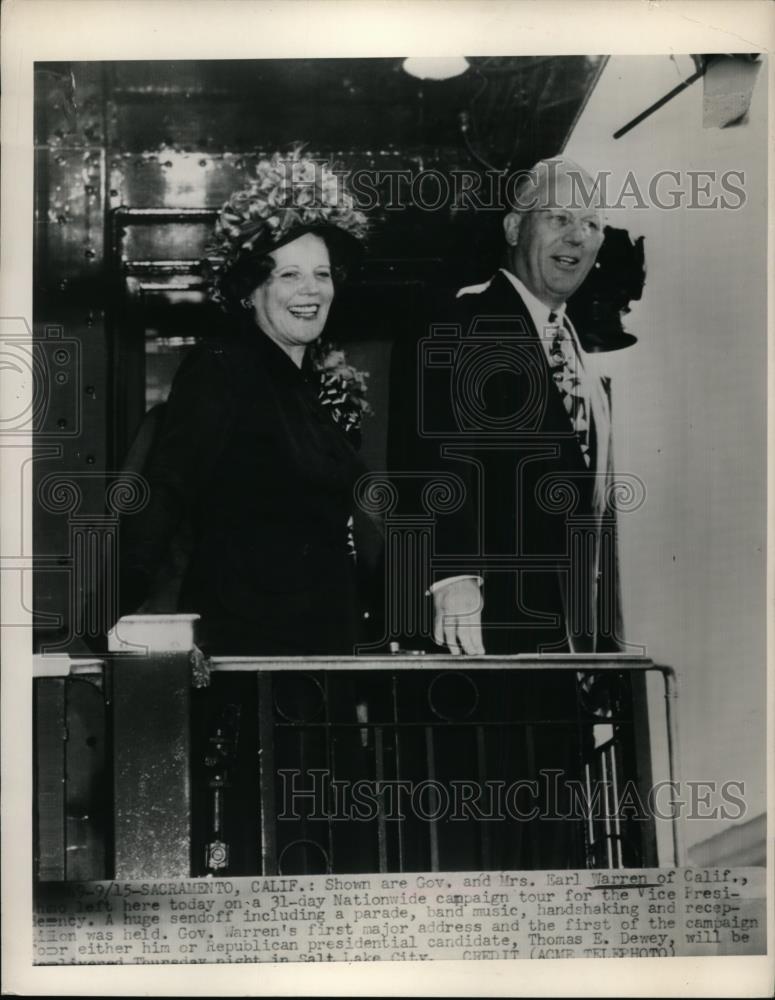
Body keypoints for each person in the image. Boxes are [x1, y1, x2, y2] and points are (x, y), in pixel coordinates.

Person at [118, 150, 372, 656]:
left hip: (322, 645)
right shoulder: (223, 364)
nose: (312, 291)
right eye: (289, 275)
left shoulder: (310, 392)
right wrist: (115, 613)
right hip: (251, 652)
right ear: (248, 290)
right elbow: (167, 486)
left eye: (322, 275)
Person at [426, 156, 624, 656]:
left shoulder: (573, 345)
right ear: (515, 227)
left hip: (564, 636)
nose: (577, 236)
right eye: (559, 218)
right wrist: (452, 576)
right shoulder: (464, 317)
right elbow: (435, 452)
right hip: (487, 631)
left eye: (591, 224)